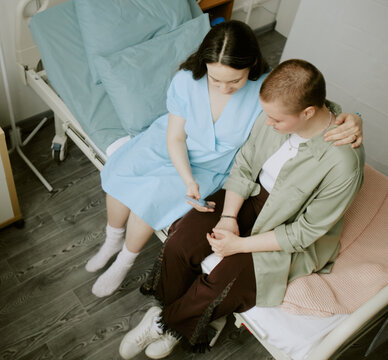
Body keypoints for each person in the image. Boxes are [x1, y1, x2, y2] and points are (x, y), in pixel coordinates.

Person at [87, 20, 363, 298]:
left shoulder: (264, 91)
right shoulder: (186, 80)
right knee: (121, 174)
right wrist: (186, 178)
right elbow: (175, 138)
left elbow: (307, 103)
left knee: (149, 198)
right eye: (215, 79)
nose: (224, 88)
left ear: (252, 65)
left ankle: (124, 260)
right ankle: (112, 239)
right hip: (170, 144)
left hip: (213, 165)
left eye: (234, 81)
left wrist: (352, 118)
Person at [119, 59, 365, 359]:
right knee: (182, 241)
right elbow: (246, 165)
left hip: (289, 229)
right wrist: (228, 217)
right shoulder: (273, 113)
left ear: (308, 112)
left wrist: (239, 245)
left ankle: (164, 323)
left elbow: (304, 233)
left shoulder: (342, 164)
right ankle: (170, 314)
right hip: (249, 196)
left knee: (226, 281)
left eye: (276, 120)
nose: (268, 123)